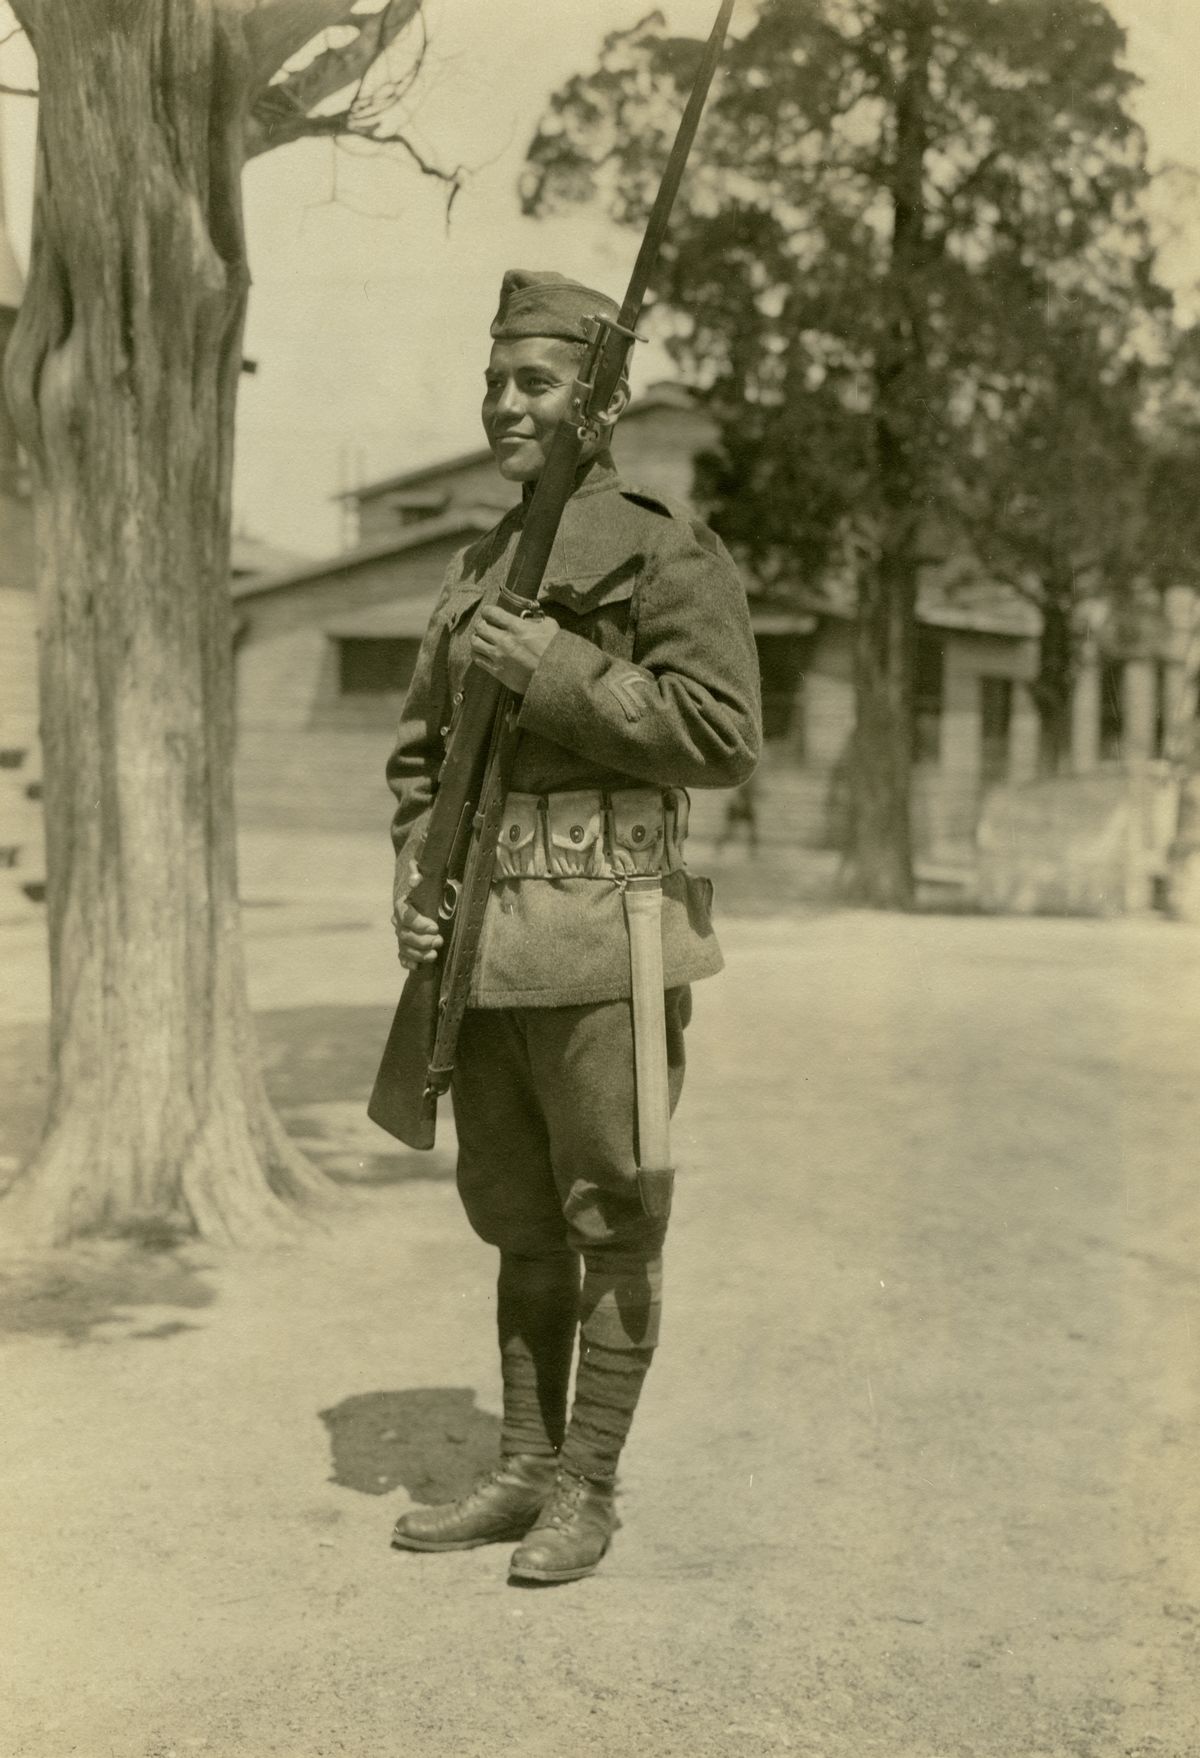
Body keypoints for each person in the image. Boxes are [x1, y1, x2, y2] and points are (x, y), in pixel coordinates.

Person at [385, 269, 761, 1583]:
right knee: (516, 1213)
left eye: (534, 382)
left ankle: (588, 1485)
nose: (504, 402)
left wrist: (550, 667)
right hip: (485, 947)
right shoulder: (476, 562)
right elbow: (419, 761)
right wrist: (409, 878)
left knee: (613, 1212)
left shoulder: (666, 546)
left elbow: (719, 733)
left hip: (612, 937)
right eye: (493, 380)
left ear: (595, 400)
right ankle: (524, 1467)